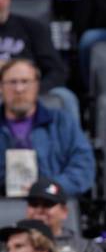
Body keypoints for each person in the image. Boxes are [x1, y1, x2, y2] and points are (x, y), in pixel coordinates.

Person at [0, 59, 95, 197]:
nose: (19, 89)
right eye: (12, 82)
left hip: (51, 205)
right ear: (1, 87)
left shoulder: (62, 122)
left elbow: (83, 168)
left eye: (25, 81)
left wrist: (49, 188)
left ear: (37, 85)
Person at [0, 0, 80, 121]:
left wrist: (33, 90)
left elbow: (57, 71)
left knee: (65, 97)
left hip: (29, 89)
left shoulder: (33, 28)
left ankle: (74, 144)